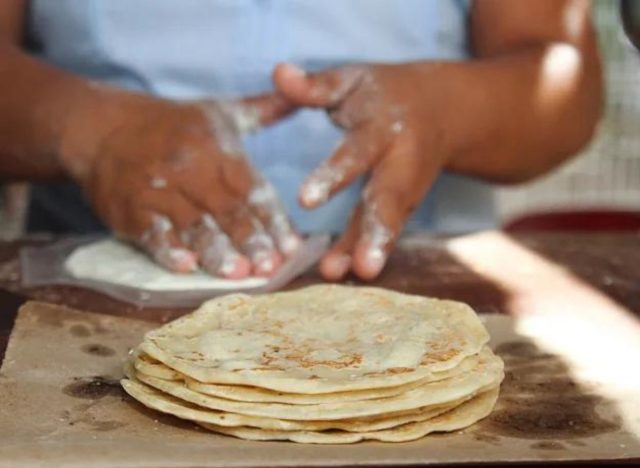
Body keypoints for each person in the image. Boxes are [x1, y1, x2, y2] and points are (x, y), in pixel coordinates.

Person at [0, 0, 602, 281]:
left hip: (415, 284)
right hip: (84, 295)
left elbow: (564, 89)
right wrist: (87, 125)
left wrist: (448, 109)